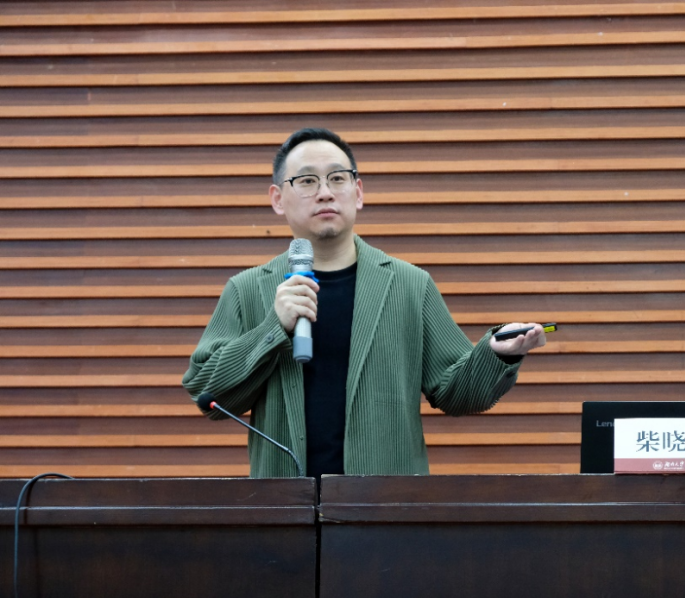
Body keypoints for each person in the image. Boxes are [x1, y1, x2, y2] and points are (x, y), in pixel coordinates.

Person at [182, 128, 547, 478]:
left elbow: (456, 393)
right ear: (278, 199)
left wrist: (497, 355)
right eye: (307, 181)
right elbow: (207, 393)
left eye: (337, 178)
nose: (325, 193)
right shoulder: (247, 290)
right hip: (286, 508)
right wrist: (272, 328)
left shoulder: (409, 285)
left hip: (383, 507)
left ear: (357, 192)